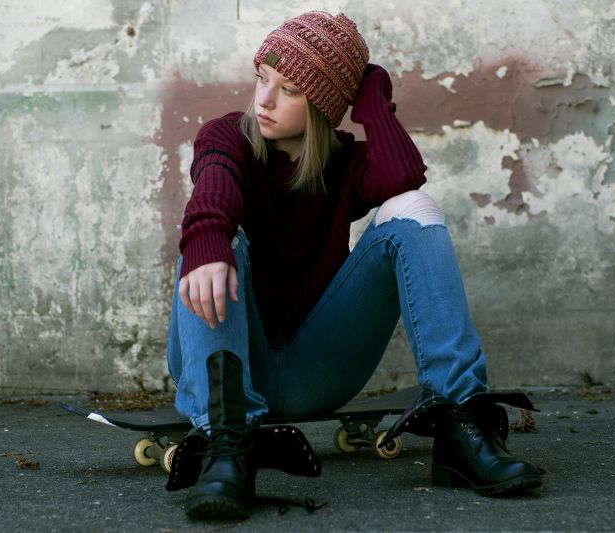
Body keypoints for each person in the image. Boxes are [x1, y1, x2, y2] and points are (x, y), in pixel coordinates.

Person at [165, 11, 543, 519]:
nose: (264, 100)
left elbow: (402, 177)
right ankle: (224, 448)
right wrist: (209, 240)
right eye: (262, 78)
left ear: (323, 104)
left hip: (319, 368)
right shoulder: (226, 136)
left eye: (290, 89)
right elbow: (213, 192)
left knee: (413, 208)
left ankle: (461, 423)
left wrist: (370, 99)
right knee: (213, 235)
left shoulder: (344, 163)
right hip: (230, 365)